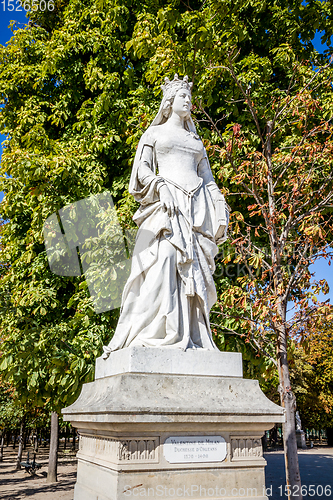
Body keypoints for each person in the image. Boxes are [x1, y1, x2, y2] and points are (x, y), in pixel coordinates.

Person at [102, 74, 229, 357]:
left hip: (196, 210)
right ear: (169, 102)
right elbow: (142, 171)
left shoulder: (196, 141)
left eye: (190, 97)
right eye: (183, 97)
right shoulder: (154, 134)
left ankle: (190, 336)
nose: (189, 101)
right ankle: (153, 331)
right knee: (164, 262)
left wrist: (220, 204)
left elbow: (207, 179)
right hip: (166, 207)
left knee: (195, 272)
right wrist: (160, 186)